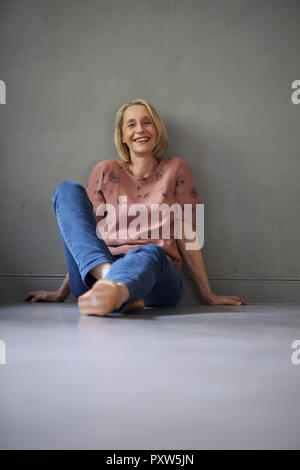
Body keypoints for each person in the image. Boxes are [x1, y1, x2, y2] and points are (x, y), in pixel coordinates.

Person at [23, 98, 246, 314]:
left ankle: (118, 289)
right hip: (99, 272)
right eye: (131, 124)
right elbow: (85, 237)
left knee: (151, 252)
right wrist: (61, 292)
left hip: (156, 278)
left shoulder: (176, 168)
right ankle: (115, 287)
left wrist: (208, 294)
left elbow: (186, 233)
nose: (140, 129)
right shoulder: (105, 170)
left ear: (157, 130)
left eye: (147, 122)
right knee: (66, 189)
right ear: (122, 136)